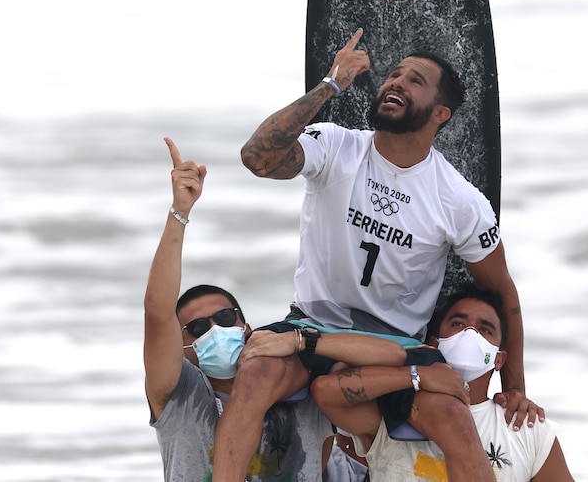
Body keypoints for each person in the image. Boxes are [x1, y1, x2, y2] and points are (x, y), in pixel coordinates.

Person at [211, 29, 542, 480]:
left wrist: (515, 388)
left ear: (440, 113)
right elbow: (257, 157)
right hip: (311, 322)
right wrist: (329, 85)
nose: (397, 82)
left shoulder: (459, 201)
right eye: (394, 74)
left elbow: (504, 293)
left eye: (415, 80)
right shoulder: (335, 146)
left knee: (451, 417)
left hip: (396, 348)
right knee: (254, 373)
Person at [144, 137, 334, 481]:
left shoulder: (300, 379)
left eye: (226, 318)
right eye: (198, 328)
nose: (216, 329)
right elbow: (157, 314)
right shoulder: (179, 397)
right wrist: (179, 213)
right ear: (183, 349)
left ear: (246, 327)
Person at [311, 283, 576, 482]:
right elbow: (326, 392)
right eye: (458, 323)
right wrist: (415, 375)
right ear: (434, 344)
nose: (469, 333)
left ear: (498, 359)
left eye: (484, 329)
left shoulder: (526, 427)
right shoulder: (396, 411)